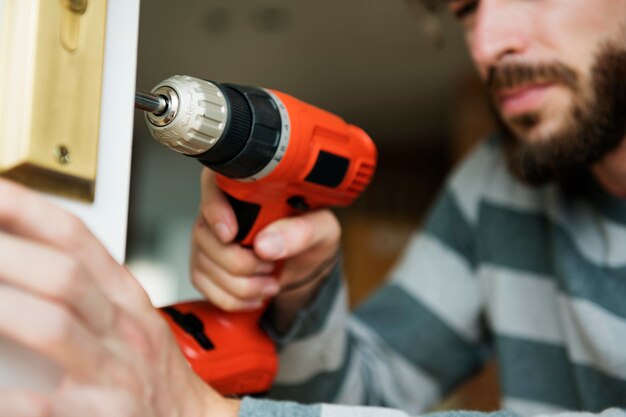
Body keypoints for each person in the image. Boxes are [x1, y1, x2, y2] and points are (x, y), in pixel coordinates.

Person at [0, 1, 624, 417]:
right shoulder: (500, 180)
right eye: (464, 10)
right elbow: (369, 392)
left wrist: (197, 407)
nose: (490, 44)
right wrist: (300, 292)